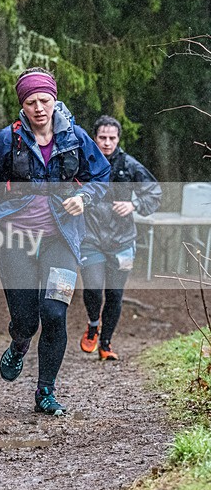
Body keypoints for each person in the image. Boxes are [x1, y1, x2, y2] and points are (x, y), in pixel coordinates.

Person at [0, 67, 110, 415]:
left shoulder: (76, 137)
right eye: (31, 101)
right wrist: (15, 203)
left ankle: (45, 392)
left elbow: (102, 176)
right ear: (23, 104)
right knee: (26, 320)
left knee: (54, 313)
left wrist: (84, 198)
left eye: (44, 100)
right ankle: (19, 343)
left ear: (54, 101)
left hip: (61, 238)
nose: (39, 107)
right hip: (16, 240)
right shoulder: (7, 140)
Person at [79, 115, 162, 360]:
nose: (106, 143)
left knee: (115, 294)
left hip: (122, 241)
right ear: (95, 138)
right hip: (90, 238)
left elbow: (154, 194)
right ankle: (93, 325)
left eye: (111, 138)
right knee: (93, 288)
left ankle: (106, 344)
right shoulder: (85, 164)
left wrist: (133, 204)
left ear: (118, 139)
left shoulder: (130, 165)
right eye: (102, 138)